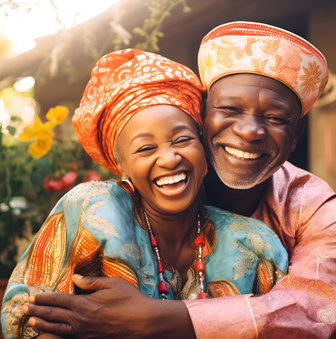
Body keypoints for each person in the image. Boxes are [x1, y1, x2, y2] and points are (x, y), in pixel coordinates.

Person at [21, 22, 336, 338]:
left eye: (274, 118)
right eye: (230, 109)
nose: (249, 131)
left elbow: (318, 312)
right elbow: (32, 311)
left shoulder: (317, 209)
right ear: (202, 115)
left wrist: (150, 319)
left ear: (296, 135)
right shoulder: (108, 207)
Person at [1, 48, 289, 339]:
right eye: (146, 149)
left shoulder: (255, 244)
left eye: (182, 140)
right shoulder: (91, 210)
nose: (168, 158)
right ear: (120, 165)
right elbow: (30, 319)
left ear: (203, 147)